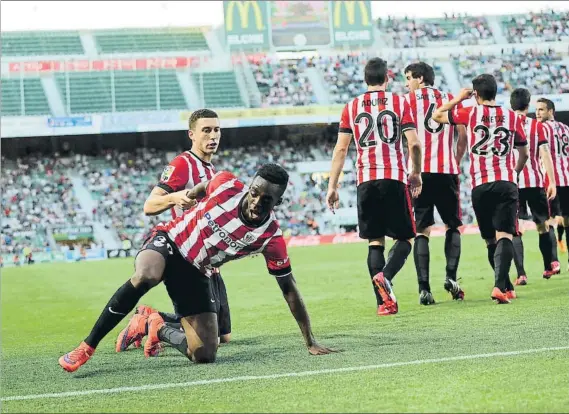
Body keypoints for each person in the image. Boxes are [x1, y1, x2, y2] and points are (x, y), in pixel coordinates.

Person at [59, 164, 337, 372]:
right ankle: (87, 347)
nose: (256, 202)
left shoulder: (271, 238)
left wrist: (309, 340)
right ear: (249, 187)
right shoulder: (227, 184)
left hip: (196, 272)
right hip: (169, 241)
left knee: (204, 354)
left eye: (267, 200)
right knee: (146, 274)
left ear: (278, 202)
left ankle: (153, 324)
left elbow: (289, 290)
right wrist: (189, 196)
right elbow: (206, 186)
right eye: (255, 193)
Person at [115, 109, 232, 351]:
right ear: (192, 134)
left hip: (208, 258)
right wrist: (175, 198)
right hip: (187, 256)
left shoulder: (211, 171)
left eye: (217, 130)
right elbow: (150, 205)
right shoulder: (182, 164)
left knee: (224, 335)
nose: (213, 136)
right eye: (206, 130)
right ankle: (151, 325)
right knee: (213, 340)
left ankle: (148, 316)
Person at [326, 57, 422, 316]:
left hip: (365, 181)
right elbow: (413, 144)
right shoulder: (400, 102)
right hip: (393, 177)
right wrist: (416, 173)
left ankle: (384, 304)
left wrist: (332, 186)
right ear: (387, 78)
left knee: (374, 242)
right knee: (405, 238)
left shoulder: (351, 106)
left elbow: (341, 149)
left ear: (365, 79)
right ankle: (386, 277)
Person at [432, 74, 529, 304]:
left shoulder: (470, 113)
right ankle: (500, 286)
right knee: (505, 234)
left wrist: (459, 98)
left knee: (489, 240)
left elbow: (436, 115)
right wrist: (514, 171)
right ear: (496, 92)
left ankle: (503, 286)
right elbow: (523, 152)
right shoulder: (511, 116)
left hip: (480, 185)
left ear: (476, 94)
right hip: (505, 182)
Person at [403, 62, 467, 305]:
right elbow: (462, 135)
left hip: (419, 174)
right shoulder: (450, 98)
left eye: (409, 78)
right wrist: (456, 160)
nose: (407, 83)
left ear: (420, 78)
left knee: (422, 230)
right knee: (452, 225)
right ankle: (451, 277)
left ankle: (424, 289)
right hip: (445, 170)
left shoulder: (407, 101)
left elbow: (404, 139)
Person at [508, 89, 557, 284]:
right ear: (528, 105)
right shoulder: (537, 126)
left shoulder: (506, 123)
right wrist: (551, 181)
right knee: (542, 225)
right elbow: (545, 154)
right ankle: (547, 268)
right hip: (536, 182)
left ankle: (521, 274)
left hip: (514, 182)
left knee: (515, 229)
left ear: (511, 105)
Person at [537, 98, 569, 272]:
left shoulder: (540, 128)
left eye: (542, 109)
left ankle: (553, 262)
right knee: (567, 220)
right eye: (537, 109)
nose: (538, 113)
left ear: (551, 111)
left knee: (548, 221)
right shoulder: (566, 129)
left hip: (550, 181)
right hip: (567, 179)